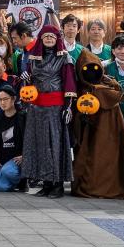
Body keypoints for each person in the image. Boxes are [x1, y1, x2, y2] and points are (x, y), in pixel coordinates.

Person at [70, 52, 124, 199]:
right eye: (86, 69)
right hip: (88, 133)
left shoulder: (109, 85)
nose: (90, 72)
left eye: (95, 68)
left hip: (110, 132)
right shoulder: (79, 89)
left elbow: (116, 95)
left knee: (108, 159)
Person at [20, 25, 76, 199]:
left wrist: (68, 106)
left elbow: (69, 83)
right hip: (36, 107)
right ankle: (45, 183)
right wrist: (25, 80)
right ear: (41, 39)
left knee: (55, 145)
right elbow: (28, 83)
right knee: (40, 145)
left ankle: (57, 184)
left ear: (57, 39)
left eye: (52, 37)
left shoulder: (65, 58)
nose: (49, 40)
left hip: (55, 107)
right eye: (46, 37)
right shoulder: (33, 58)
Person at [0, 86, 26, 192]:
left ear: (13, 99)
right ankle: (12, 182)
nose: (2, 102)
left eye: (5, 99)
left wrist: (25, 155)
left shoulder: (22, 117)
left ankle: (22, 181)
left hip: (17, 160)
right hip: (3, 159)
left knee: (8, 172)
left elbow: (29, 140)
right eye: (0, 100)